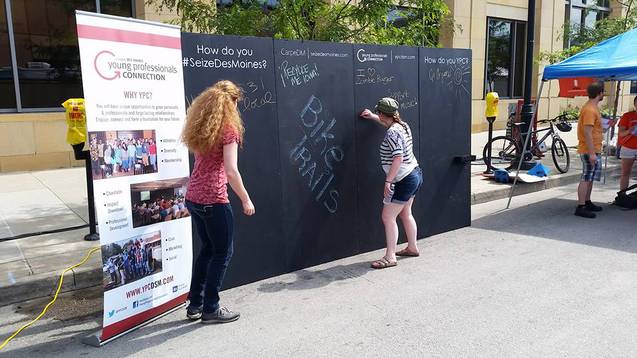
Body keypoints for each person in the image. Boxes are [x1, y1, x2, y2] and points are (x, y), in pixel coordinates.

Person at [181, 80, 255, 324]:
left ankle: (195, 305)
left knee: (207, 250)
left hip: (194, 196)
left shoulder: (202, 125)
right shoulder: (229, 130)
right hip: (213, 199)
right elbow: (231, 171)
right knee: (223, 252)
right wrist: (246, 199)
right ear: (231, 102)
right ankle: (211, 308)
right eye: (236, 103)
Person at [359, 97, 423, 269]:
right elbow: (388, 124)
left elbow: (398, 157)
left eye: (378, 113)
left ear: (382, 113)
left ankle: (390, 257)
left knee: (388, 217)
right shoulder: (403, 125)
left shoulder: (392, 132)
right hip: (415, 174)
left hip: (404, 179)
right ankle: (412, 247)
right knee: (406, 213)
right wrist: (373, 116)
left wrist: (388, 181)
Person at [575, 82, 605, 218]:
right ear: (599, 93)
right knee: (586, 177)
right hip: (588, 149)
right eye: (603, 92)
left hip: (594, 148)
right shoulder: (589, 110)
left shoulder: (593, 108)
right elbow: (587, 132)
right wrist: (592, 153)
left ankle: (587, 202)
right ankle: (581, 206)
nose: (603, 94)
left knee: (590, 177)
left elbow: (595, 129)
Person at [617, 96, 637, 192]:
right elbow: (621, 133)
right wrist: (630, 131)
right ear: (634, 104)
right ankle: (622, 195)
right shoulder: (627, 116)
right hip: (628, 148)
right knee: (625, 172)